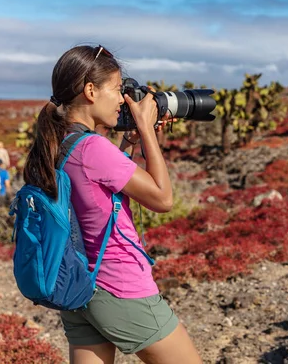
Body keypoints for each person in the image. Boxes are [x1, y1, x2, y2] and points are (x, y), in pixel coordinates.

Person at [23, 45, 202, 364]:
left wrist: (129, 143)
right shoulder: (93, 148)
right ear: (90, 91)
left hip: (79, 289)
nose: (123, 99)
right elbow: (163, 199)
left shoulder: (61, 143)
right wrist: (147, 130)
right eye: (118, 89)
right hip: (120, 287)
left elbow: (95, 191)